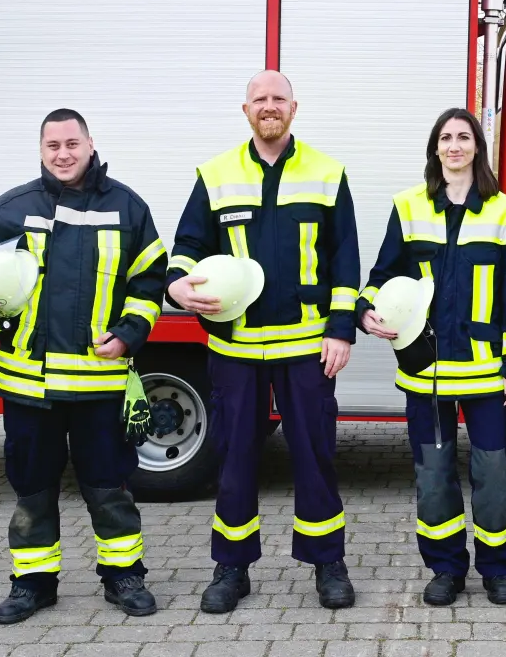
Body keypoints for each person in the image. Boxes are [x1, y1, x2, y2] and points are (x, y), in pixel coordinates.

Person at [0, 108, 166, 623]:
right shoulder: (18, 206)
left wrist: (129, 334)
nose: (62, 154)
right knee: (32, 490)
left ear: (89, 144)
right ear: (41, 151)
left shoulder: (128, 208)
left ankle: (123, 577)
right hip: (27, 385)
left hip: (99, 384)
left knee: (110, 489)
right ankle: (33, 585)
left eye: (71, 144)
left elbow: (149, 282)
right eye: (52, 146)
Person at [167, 70, 361, 613]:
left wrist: (341, 330)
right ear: (245, 109)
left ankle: (328, 563)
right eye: (260, 99)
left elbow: (344, 255)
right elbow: (187, 245)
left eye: (278, 98)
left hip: (306, 345)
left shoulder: (326, 172)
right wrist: (177, 283)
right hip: (236, 348)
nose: (269, 106)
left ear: (294, 109)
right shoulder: (216, 173)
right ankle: (231, 568)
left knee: (315, 455)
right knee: (234, 458)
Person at [357, 108, 506, 607]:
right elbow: (383, 272)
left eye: (464, 137)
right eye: (446, 138)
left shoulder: (504, 211)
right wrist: (366, 311)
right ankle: (446, 568)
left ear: (478, 147)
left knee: (493, 473)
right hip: (425, 368)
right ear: (435, 148)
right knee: (433, 474)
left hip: (484, 370)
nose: (455, 145)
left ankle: (498, 569)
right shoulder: (409, 207)